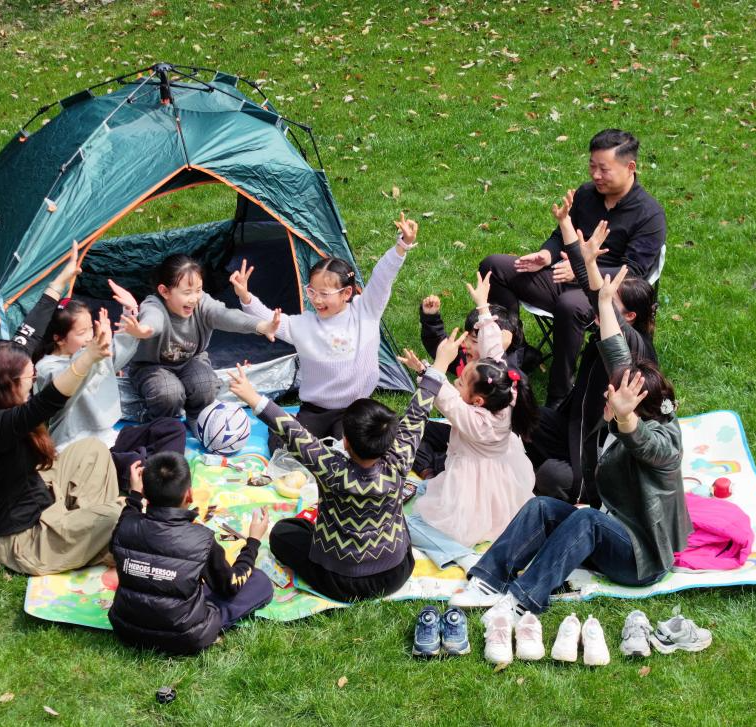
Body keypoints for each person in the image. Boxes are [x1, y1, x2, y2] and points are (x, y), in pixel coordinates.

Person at [451, 267, 692, 626]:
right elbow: (615, 350)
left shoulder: (664, 442)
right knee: (543, 508)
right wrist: (605, 301)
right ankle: (488, 579)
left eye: (614, 398)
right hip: (612, 530)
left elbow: (646, 446)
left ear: (637, 406)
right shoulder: (617, 414)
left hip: (642, 559)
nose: (606, 399)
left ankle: (523, 598)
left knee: (587, 521)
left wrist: (625, 420)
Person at [226, 329, 464, 603]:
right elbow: (418, 411)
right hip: (395, 572)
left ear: (346, 442)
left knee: (283, 533)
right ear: (390, 439)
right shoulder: (401, 457)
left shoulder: (330, 466)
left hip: (340, 581)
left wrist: (251, 395)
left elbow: (291, 430)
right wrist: (441, 363)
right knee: (398, 524)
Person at [0, 244, 126, 575]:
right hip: (23, 539)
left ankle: (88, 533)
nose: (32, 382)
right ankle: (95, 535)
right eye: (28, 380)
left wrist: (59, 282)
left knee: (92, 450)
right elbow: (47, 401)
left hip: (38, 495)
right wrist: (89, 355)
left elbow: (27, 335)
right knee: (121, 514)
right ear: (7, 387)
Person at [479, 129, 666, 407]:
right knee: (495, 266)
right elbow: (559, 237)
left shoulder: (649, 214)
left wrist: (584, 272)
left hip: (604, 295)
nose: (595, 175)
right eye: (592, 166)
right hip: (561, 275)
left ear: (630, 168)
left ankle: (559, 395)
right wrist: (545, 255)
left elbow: (635, 272)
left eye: (604, 169)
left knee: (570, 305)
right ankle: (515, 353)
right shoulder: (586, 194)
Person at [230, 213, 419, 451]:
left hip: (356, 409)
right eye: (312, 292)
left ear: (346, 294)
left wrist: (402, 246)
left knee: (361, 448)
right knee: (282, 442)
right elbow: (271, 320)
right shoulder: (304, 325)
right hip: (315, 411)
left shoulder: (366, 311)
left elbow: (382, 278)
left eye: (325, 294)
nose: (316, 300)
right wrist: (246, 297)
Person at [399, 272, 538, 571]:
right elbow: (494, 352)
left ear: (477, 400)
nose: (457, 383)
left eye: (461, 383)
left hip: (471, 487)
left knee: (415, 525)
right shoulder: (505, 391)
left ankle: (460, 556)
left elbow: (441, 396)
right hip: (502, 477)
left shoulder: (472, 420)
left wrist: (435, 366)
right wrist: (484, 308)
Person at [526, 195, 659, 507]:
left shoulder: (631, 350)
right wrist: (569, 230)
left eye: (611, 303)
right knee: (525, 414)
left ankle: (569, 493)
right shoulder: (612, 329)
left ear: (628, 319)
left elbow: (597, 293)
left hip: (600, 452)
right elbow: (595, 290)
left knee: (551, 476)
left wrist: (585, 263)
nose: (600, 304)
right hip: (574, 428)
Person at [108, 453, 274, 655]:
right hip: (185, 636)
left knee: (185, 580)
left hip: (126, 627)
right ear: (189, 495)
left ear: (145, 492)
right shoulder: (201, 538)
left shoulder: (126, 525)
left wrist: (134, 495)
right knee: (259, 581)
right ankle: (214, 621)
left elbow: (126, 520)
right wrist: (253, 542)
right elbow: (229, 586)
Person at [33, 287, 185, 491]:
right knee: (133, 461)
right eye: (82, 332)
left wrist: (130, 312)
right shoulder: (46, 370)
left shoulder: (89, 351)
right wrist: (93, 352)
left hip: (108, 438)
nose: (89, 337)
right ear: (58, 338)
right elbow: (76, 377)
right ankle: (158, 484)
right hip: (78, 450)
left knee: (171, 427)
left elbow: (114, 354)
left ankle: (166, 474)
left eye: (91, 329)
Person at [124, 254, 281, 428]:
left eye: (198, 290)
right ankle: (164, 427)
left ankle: (198, 420)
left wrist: (261, 326)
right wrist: (144, 330)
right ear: (164, 292)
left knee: (205, 385)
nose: (194, 298)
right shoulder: (154, 305)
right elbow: (153, 320)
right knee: (169, 393)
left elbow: (226, 316)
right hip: (152, 366)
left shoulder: (202, 304)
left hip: (190, 360)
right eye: (187, 292)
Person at [414, 296, 528, 479]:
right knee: (418, 430)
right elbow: (443, 349)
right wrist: (431, 318)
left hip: (481, 458)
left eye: (475, 340)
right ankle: (429, 470)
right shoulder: (471, 362)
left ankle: (433, 468)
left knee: (450, 465)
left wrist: (427, 374)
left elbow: (447, 399)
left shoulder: (504, 381)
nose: (465, 344)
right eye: (467, 336)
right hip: (462, 435)